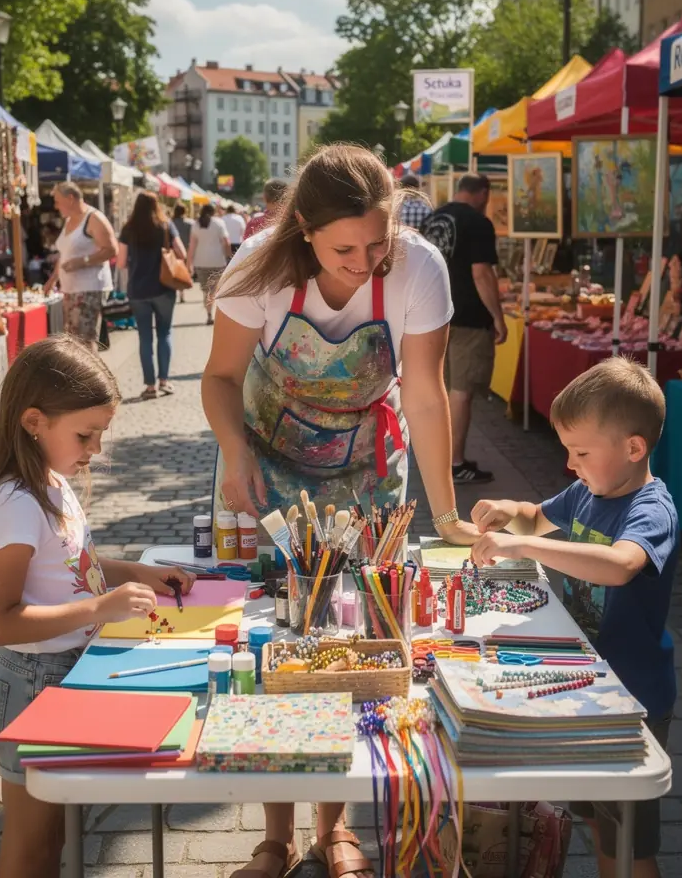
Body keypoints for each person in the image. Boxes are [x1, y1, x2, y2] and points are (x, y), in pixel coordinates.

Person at [204, 144, 481, 878]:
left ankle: (336, 825)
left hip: (363, 470)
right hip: (266, 462)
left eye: (379, 242)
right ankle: (274, 833)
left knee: (346, 642)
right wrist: (234, 453)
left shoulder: (419, 268)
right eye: (344, 249)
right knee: (272, 643)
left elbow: (423, 394)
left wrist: (447, 515)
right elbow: (222, 377)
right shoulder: (256, 266)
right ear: (301, 229)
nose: (365, 263)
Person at [0, 335, 193, 878]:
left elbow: (76, 567)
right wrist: (101, 609)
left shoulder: (52, 481)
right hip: (30, 682)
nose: (94, 450)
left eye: (100, 434)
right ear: (33, 422)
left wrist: (137, 572)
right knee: (31, 851)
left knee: (58, 842)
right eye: (85, 434)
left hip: (64, 676)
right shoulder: (13, 505)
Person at [469, 358, 677, 878]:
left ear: (633, 448)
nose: (571, 465)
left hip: (633, 698)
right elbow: (537, 515)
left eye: (581, 452)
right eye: (567, 452)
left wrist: (522, 544)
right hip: (591, 688)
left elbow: (622, 566)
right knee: (598, 820)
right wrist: (504, 509)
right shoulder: (589, 492)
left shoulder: (651, 510)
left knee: (627, 843)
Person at [420, 173, 508, 483]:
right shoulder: (477, 223)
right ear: (483, 193)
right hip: (468, 318)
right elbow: (482, 274)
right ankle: (454, 463)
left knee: (439, 391)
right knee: (461, 393)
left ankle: (435, 457)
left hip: (433, 316)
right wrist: (498, 316)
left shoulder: (432, 219)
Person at [118, 191, 186, 399]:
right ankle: (164, 381)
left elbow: (120, 263)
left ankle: (149, 386)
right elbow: (181, 253)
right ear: (157, 205)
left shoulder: (128, 229)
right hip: (164, 288)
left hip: (138, 290)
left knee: (144, 337)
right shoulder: (166, 226)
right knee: (164, 333)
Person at [44, 182, 117, 351]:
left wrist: (82, 261)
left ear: (70, 198)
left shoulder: (94, 218)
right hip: (71, 289)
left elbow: (112, 249)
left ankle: (90, 376)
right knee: (74, 340)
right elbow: (65, 254)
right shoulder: (69, 220)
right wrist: (53, 279)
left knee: (85, 340)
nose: (55, 206)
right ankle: (80, 375)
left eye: (57, 200)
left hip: (89, 288)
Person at [187, 203, 231, 325]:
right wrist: (229, 257)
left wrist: (188, 263)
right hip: (217, 261)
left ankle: (209, 313)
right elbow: (226, 242)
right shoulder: (219, 223)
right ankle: (213, 313)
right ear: (213, 212)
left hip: (200, 262)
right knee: (214, 290)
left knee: (206, 290)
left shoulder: (196, 224)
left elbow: (192, 246)